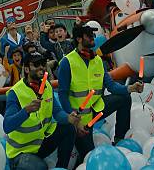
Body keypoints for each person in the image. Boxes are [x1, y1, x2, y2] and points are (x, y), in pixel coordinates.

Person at [58, 23, 143, 165]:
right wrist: (73, 120)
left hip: (97, 109)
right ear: (79, 39)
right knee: (89, 158)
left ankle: (119, 140)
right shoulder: (67, 62)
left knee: (124, 98)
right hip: (80, 118)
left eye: (93, 35)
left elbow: (112, 86)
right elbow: (62, 95)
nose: (93, 38)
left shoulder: (97, 60)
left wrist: (131, 88)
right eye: (89, 35)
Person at [4, 52, 79, 170]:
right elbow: (7, 126)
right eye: (36, 64)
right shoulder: (15, 93)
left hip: (40, 143)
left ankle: (61, 168)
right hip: (21, 151)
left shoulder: (47, 86)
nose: (41, 67)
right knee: (41, 167)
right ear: (27, 69)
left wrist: (68, 117)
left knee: (68, 127)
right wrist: (26, 111)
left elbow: (57, 112)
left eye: (43, 64)